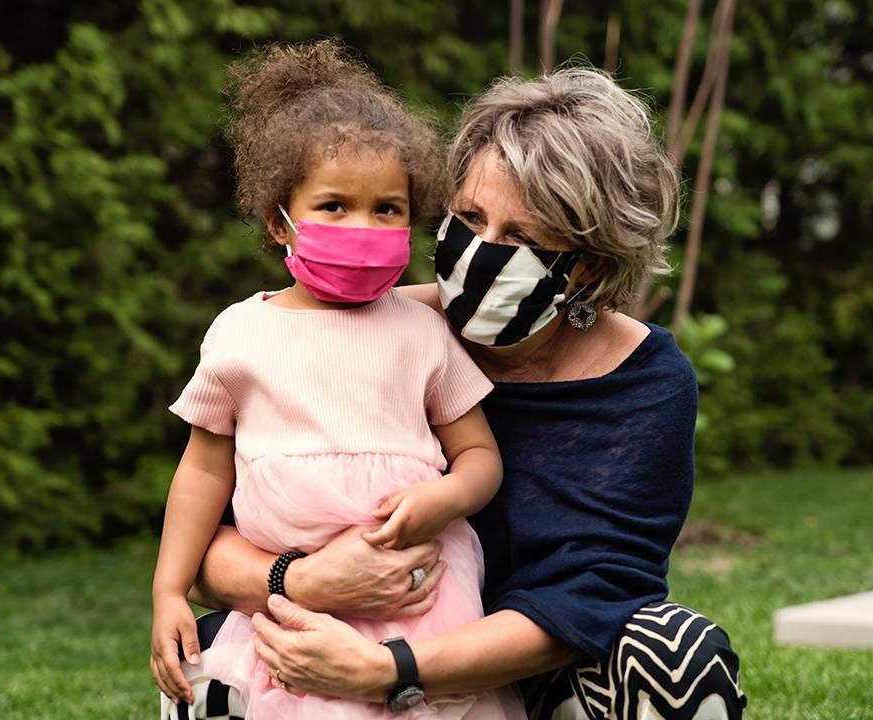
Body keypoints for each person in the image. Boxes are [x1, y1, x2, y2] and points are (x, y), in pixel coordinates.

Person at [176, 66, 747, 720]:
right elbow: (205, 545)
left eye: (523, 238)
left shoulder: (644, 382)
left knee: (674, 658)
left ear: (587, 264)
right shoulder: (369, 332)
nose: (479, 252)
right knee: (208, 664)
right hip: (335, 633)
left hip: (536, 673)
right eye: (469, 217)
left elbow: (597, 593)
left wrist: (392, 672)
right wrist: (297, 580)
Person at [150, 39, 523, 719]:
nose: (364, 225)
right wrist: (169, 591)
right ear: (278, 222)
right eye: (334, 205)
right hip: (299, 594)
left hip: (421, 587)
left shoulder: (422, 332)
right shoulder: (240, 334)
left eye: (387, 209)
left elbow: (480, 457)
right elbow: (204, 473)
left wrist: (444, 500)